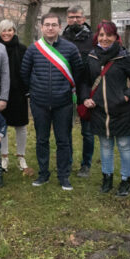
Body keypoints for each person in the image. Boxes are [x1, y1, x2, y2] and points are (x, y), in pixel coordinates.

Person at [21, 13, 84, 191]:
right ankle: (43, 174)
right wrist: (33, 92)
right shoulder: (33, 49)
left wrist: (67, 90)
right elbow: (25, 73)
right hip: (39, 103)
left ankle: (63, 176)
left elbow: (78, 73)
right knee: (42, 140)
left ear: (59, 26)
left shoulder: (70, 49)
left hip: (63, 103)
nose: (50, 28)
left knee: (63, 140)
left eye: (53, 25)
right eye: (47, 25)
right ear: (41, 27)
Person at [81, 21, 130, 197]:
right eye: (101, 35)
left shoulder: (124, 58)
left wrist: (126, 96)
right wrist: (86, 98)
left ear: (116, 37)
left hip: (122, 111)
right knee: (106, 146)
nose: (105, 38)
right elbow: (85, 82)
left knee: (124, 145)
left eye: (108, 35)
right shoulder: (91, 58)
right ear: (97, 38)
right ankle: (106, 178)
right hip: (100, 111)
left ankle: (125, 180)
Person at [61, 5, 95, 178]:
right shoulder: (61, 39)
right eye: (71, 17)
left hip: (86, 90)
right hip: (65, 90)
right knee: (65, 130)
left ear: (84, 18)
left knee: (87, 132)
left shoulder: (93, 39)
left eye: (78, 17)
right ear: (67, 19)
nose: (75, 20)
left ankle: (86, 164)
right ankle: (67, 161)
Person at [0, 19, 29, 171]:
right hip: (0, 92)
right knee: (2, 126)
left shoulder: (23, 49)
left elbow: (27, 70)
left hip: (18, 93)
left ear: (14, 31)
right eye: (4, 30)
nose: (6, 33)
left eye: (9, 30)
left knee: (20, 126)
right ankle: (4, 157)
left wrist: (27, 89)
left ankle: (21, 157)